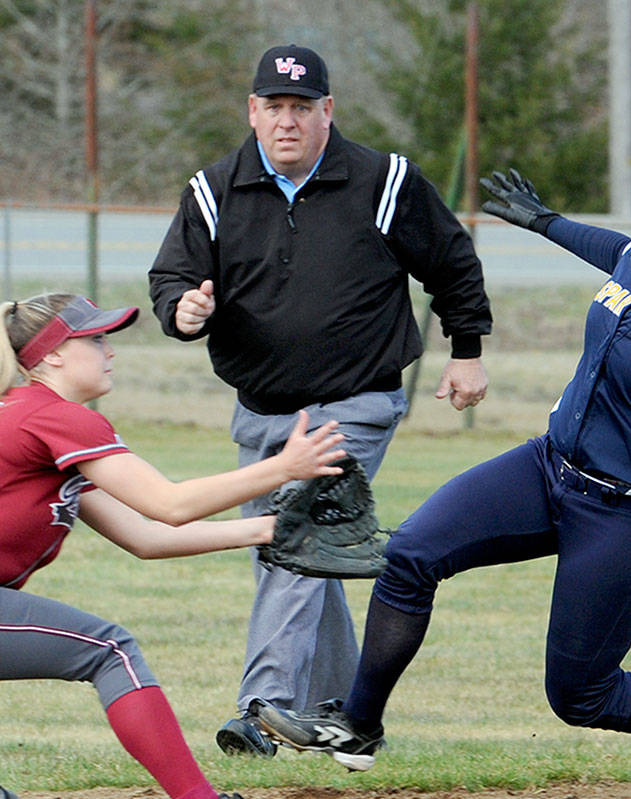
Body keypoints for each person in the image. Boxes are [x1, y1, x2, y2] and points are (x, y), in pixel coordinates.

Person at [257, 163, 631, 797]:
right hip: (545, 467)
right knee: (409, 556)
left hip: (628, 519)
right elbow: (614, 247)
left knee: (580, 695)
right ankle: (357, 726)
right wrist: (545, 222)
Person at [0, 292, 349, 799]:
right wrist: (286, 468)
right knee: (111, 649)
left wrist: (267, 530)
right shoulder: (56, 417)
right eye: (94, 339)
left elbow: (144, 536)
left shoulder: (14, 412)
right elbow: (169, 504)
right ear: (52, 357)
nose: (108, 350)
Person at [148, 44, 493, 758]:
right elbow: (172, 276)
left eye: (302, 107)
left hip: (356, 402)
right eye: (273, 106)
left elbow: (451, 262)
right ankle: (347, 718)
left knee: (294, 538)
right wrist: (184, 308)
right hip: (261, 409)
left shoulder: (384, 181)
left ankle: (263, 706)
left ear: (327, 112)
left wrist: (466, 349)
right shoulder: (214, 192)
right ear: (252, 112)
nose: (287, 121)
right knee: (306, 557)